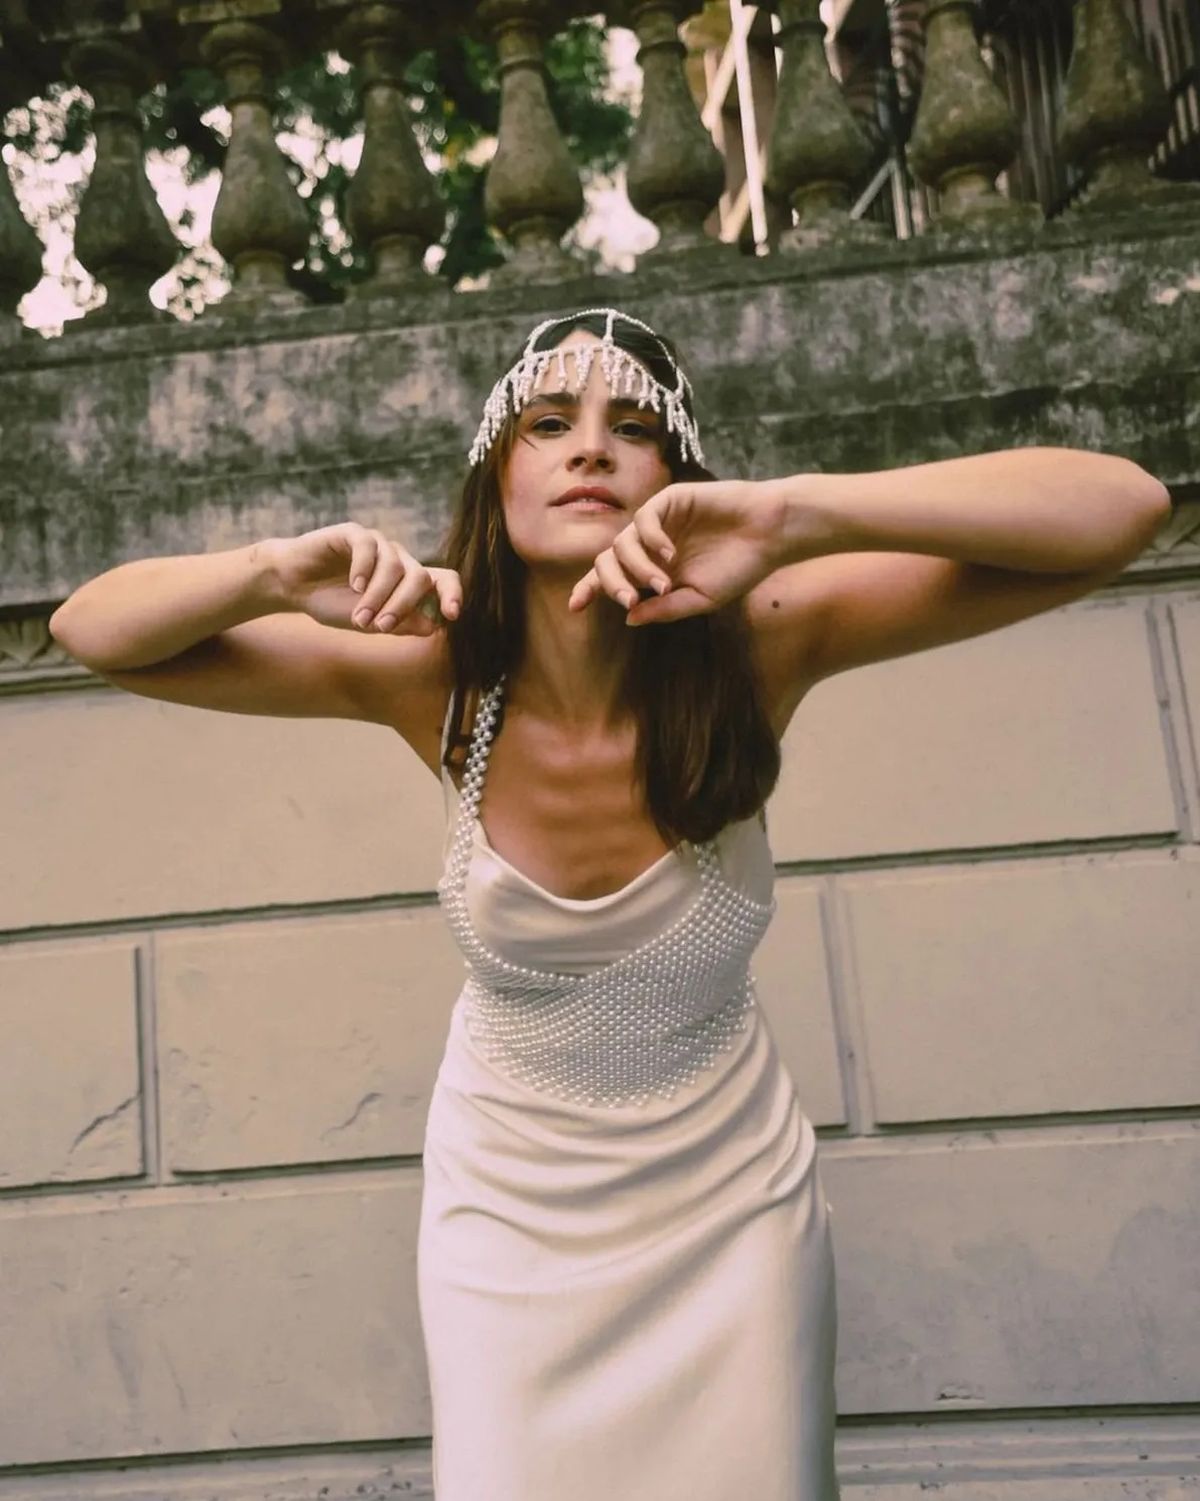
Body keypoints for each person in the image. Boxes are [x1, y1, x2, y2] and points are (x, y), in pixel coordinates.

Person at [48, 305, 1170, 1501]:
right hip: (506, 1222)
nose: (591, 446)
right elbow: (92, 630)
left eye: (634, 427)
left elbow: (1123, 510)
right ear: (497, 475)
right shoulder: (432, 672)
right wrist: (273, 572)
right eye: (549, 422)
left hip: (730, 1208)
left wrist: (793, 517)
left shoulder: (763, 640)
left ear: (676, 481)